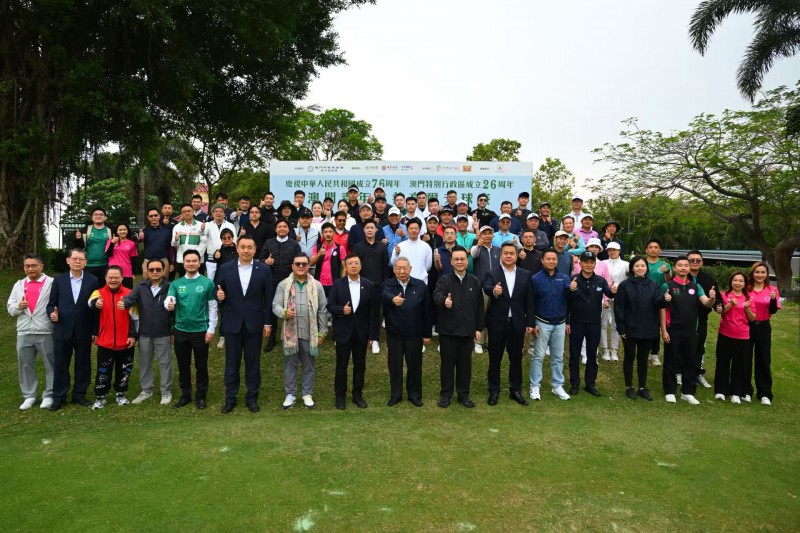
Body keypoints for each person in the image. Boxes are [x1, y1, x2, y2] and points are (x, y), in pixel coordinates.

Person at [215, 235, 274, 414]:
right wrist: (219, 296)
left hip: (254, 323)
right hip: (232, 323)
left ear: (255, 250)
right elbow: (217, 290)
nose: (246, 250)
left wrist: (268, 323)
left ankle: (252, 398)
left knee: (253, 364)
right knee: (231, 364)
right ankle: (230, 399)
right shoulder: (225, 268)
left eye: (250, 247)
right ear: (237, 249)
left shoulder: (263, 269)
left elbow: (268, 298)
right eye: (243, 247)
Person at [273, 254, 328, 410]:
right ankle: (290, 394)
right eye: (298, 264)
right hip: (290, 334)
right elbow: (275, 306)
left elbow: (322, 310)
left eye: (304, 263)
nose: (301, 266)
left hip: (310, 333)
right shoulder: (284, 285)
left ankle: (307, 394)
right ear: (292, 266)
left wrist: (322, 332)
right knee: (290, 365)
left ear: (308, 266)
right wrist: (284, 312)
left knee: (308, 365)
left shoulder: (316, 285)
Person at [46, 248, 100, 411]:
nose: (77, 261)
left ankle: (79, 394)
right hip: (62, 329)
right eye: (74, 258)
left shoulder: (93, 280)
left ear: (86, 262)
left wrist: (95, 331)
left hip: (84, 329)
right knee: (61, 364)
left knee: (83, 363)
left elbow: (96, 308)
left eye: (81, 259)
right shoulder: (59, 280)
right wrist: (52, 314)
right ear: (68, 260)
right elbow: (51, 304)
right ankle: (59, 396)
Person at [483, 242, 535, 406]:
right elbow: (486, 286)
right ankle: (494, 390)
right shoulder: (492, 272)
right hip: (497, 323)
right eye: (505, 253)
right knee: (495, 359)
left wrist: (530, 322)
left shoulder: (525, 274)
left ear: (516, 255)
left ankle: (515, 390)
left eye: (511, 253)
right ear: (501, 255)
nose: (508, 256)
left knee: (516, 358)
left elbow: (530, 301)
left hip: (517, 323)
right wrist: (494, 291)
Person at [165, 249, 217, 409]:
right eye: (188, 261)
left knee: (201, 366)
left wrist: (211, 329)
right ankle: (185, 395)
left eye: (194, 261)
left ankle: (201, 396)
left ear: (199, 263)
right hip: (180, 330)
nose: (191, 263)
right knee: (183, 365)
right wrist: (169, 304)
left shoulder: (207, 283)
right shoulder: (176, 284)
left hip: (201, 330)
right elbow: (169, 300)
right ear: (183, 263)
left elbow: (213, 307)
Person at [326, 254, 380, 410]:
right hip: (343, 332)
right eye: (350, 263)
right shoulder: (338, 284)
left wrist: (372, 335)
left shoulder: (369, 285)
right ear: (346, 266)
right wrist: (341, 310)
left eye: (356, 263)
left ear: (361, 266)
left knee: (360, 365)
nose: (354, 266)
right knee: (341, 365)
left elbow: (374, 313)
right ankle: (340, 396)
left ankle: (357, 394)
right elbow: (330, 306)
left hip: (362, 333)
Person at [433, 246, 484, 408]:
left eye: (462, 259)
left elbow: (479, 307)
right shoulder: (444, 280)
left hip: (467, 331)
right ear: (451, 262)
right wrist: (444, 301)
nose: (460, 262)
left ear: (467, 262)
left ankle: (463, 395)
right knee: (447, 365)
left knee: (465, 366)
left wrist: (478, 328)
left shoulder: (475, 281)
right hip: (448, 331)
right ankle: (446, 395)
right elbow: (437, 295)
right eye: (456, 259)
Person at [660, 256, 715, 404]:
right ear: (675, 268)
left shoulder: (695, 287)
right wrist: (664, 330)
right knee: (671, 361)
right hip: (673, 329)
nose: (683, 268)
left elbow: (706, 303)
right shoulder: (667, 286)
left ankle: (688, 392)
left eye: (686, 265)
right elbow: (662, 309)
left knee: (690, 360)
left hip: (691, 330)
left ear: (689, 268)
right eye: (680, 265)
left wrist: (712, 298)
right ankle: (670, 391)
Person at [121, 258, 173, 406]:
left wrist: (173, 330)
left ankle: (166, 391)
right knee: (144, 363)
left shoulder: (170, 287)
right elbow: (131, 298)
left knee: (165, 363)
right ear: (147, 271)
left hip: (163, 331)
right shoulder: (140, 286)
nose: (155, 272)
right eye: (151, 270)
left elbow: (177, 308)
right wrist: (124, 302)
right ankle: (146, 390)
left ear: (163, 271)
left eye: (158, 269)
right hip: (144, 332)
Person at [614, 256, 667, 400]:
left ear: (646, 268)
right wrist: (621, 328)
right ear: (632, 268)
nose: (640, 268)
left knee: (643, 358)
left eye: (643, 265)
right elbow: (619, 308)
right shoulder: (624, 285)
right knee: (629, 357)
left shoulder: (653, 284)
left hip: (648, 327)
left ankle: (642, 387)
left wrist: (665, 299)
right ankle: (629, 387)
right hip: (629, 328)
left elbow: (658, 303)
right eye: (637, 266)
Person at [7, 253, 55, 410]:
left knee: (51, 364)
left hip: (45, 330)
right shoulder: (19, 285)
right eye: (27, 266)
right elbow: (10, 308)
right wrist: (18, 307)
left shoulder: (51, 283)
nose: (30, 269)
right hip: (24, 331)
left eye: (33, 265)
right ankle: (29, 396)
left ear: (41, 266)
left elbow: (57, 304)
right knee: (25, 365)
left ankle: (49, 394)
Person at [382, 257, 432, 407]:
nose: (402, 271)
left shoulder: (420, 285)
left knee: (414, 366)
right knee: (395, 366)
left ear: (410, 269)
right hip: (395, 334)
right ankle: (395, 395)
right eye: (398, 268)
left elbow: (427, 311)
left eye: (405, 268)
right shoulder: (388, 284)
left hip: (414, 334)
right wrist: (392, 299)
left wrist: (427, 334)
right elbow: (383, 294)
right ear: (394, 270)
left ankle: (414, 395)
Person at [567, 251, 616, 397]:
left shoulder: (600, 280)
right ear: (581, 263)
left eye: (591, 262)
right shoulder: (573, 279)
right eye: (586, 262)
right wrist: (571, 290)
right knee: (574, 355)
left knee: (592, 355)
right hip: (576, 322)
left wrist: (613, 291)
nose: (589, 265)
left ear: (595, 264)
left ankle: (590, 384)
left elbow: (609, 293)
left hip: (594, 323)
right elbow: (567, 300)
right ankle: (574, 383)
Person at [88, 266, 136, 409]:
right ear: (105, 278)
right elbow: (90, 303)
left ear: (122, 278)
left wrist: (132, 335)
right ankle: (100, 396)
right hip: (105, 341)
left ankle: (121, 394)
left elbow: (135, 318)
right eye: (110, 277)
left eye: (116, 277)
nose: (113, 280)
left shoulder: (130, 294)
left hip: (125, 342)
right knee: (103, 370)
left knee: (124, 370)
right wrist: (95, 304)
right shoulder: (98, 292)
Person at [529, 249, 572, 401]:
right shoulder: (535, 279)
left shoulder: (564, 278)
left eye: (554, 259)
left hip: (560, 324)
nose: (551, 261)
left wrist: (567, 321)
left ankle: (557, 385)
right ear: (542, 260)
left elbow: (569, 300)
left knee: (558, 357)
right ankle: (535, 385)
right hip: (542, 323)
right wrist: (532, 323)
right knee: (538, 356)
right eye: (548, 259)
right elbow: (531, 303)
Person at [259, 218, 302, 352]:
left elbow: (299, 261)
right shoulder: (269, 243)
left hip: (289, 281)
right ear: (276, 229)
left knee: (291, 308)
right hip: (271, 281)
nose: (282, 229)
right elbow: (260, 259)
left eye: (285, 227)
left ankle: (293, 337)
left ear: (288, 229)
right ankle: (272, 339)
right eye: (279, 226)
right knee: (272, 308)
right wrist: (266, 261)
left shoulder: (294, 244)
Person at [713, 271, 756, 404]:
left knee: (739, 365)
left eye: (741, 281)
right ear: (731, 282)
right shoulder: (725, 295)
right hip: (725, 333)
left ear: (745, 283)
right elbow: (721, 311)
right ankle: (721, 390)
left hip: (742, 336)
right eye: (735, 280)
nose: (737, 283)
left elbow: (753, 318)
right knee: (722, 362)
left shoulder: (748, 298)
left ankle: (736, 393)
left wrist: (747, 308)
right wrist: (730, 304)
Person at [352, 220, 390, 355]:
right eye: (367, 227)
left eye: (371, 228)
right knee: (361, 312)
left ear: (376, 230)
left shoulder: (382, 247)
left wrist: (385, 285)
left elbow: (385, 268)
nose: (369, 230)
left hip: (377, 286)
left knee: (375, 313)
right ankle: (361, 336)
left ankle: (374, 339)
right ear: (364, 230)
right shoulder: (357, 247)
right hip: (360, 285)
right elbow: (354, 266)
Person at [746, 261, 781, 405]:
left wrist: (772, 299)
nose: (760, 275)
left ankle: (764, 393)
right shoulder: (746, 289)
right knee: (745, 358)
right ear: (752, 273)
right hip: (747, 326)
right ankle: (745, 391)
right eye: (757, 272)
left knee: (763, 359)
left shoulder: (772, 290)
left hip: (764, 327)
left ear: (767, 274)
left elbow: (773, 310)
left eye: (763, 272)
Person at [687, 250, 717, 389]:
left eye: (697, 260)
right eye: (691, 260)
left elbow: (717, 300)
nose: (694, 262)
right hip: (682, 319)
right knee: (682, 347)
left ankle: (698, 373)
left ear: (702, 262)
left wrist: (719, 305)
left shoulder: (709, 280)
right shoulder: (680, 277)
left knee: (700, 347)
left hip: (701, 318)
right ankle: (680, 372)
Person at [470, 226, 500, 355]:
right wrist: (478, 245)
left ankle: (490, 340)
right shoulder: (477, 248)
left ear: (493, 235)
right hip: (482, 286)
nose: (487, 236)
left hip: (495, 286)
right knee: (481, 313)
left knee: (493, 314)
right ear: (480, 235)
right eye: (484, 233)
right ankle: (479, 342)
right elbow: (473, 254)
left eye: (489, 233)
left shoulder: (498, 249)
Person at [645, 238, 672, 367]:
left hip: (659, 299)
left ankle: (654, 353)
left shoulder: (665, 265)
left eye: (656, 247)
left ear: (660, 250)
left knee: (656, 326)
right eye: (650, 247)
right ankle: (644, 351)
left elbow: (668, 281)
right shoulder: (642, 263)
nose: (653, 249)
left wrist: (666, 272)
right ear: (646, 250)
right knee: (643, 324)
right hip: (643, 298)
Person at [600, 242, 628, 361]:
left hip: (619, 297)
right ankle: (605, 349)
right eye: (610, 250)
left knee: (616, 324)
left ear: (619, 251)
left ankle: (614, 349)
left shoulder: (625, 264)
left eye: (614, 250)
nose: (612, 252)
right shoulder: (603, 263)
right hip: (604, 295)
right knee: (603, 323)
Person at [74, 207, 112, 286]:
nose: (98, 216)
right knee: (88, 288)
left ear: (105, 217)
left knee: (103, 289)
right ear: (92, 217)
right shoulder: (85, 230)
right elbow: (78, 248)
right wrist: (78, 239)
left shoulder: (111, 230)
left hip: (105, 265)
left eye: (101, 214)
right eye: (96, 214)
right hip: (88, 266)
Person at [390, 218, 432, 285]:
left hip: (421, 282)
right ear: (407, 230)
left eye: (416, 228)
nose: (413, 230)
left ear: (419, 230)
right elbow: (393, 263)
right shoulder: (400, 246)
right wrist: (396, 254)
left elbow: (428, 266)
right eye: (411, 228)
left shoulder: (426, 247)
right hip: (403, 282)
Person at [310, 222, 345, 298]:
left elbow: (344, 267)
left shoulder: (340, 248)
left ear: (334, 233)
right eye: (325, 232)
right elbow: (311, 263)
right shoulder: (317, 247)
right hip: (319, 283)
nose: (328, 234)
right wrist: (319, 254)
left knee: (332, 304)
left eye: (330, 232)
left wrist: (342, 281)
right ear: (322, 234)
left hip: (334, 283)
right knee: (320, 304)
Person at [172, 203, 207, 278]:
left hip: (198, 260)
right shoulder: (177, 227)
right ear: (181, 214)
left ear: (193, 212)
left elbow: (204, 242)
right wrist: (176, 240)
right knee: (184, 282)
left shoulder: (201, 225)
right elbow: (174, 244)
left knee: (198, 282)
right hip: (182, 260)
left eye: (189, 211)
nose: (187, 213)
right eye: (184, 211)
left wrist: (195, 256)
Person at [204, 202, 236, 282]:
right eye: (216, 211)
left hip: (226, 257)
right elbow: (202, 237)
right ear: (212, 213)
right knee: (211, 281)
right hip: (211, 258)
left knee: (226, 280)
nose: (218, 213)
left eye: (221, 211)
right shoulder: (207, 225)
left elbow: (234, 240)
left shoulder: (230, 225)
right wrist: (202, 229)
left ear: (224, 214)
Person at [139, 207, 172, 277]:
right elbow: (140, 241)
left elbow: (171, 247)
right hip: (148, 261)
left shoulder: (167, 231)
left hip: (163, 260)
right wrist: (140, 238)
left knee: (163, 282)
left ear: (159, 216)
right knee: (147, 282)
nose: (153, 217)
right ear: (148, 218)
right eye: (151, 216)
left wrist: (172, 262)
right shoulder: (144, 231)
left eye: (155, 215)